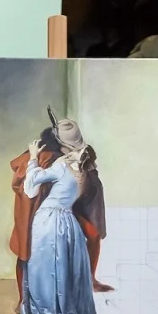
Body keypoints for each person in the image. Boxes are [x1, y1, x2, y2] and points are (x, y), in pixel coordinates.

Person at [16, 135, 103, 314]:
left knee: (48, 266)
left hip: (52, 220)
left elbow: (32, 184)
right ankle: (60, 309)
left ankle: (51, 310)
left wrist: (33, 157)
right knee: (59, 265)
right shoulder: (81, 175)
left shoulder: (63, 168)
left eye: (74, 151)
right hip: (63, 221)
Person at [50, 116, 111, 292]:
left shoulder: (86, 152)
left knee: (94, 235)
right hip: (64, 206)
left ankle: (90, 279)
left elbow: (90, 176)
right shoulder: (55, 156)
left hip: (84, 202)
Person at [8, 126, 62, 307]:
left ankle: (23, 301)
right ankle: (43, 303)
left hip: (23, 215)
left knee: (24, 256)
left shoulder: (26, 158)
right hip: (44, 215)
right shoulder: (55, 159)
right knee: (47, 260)